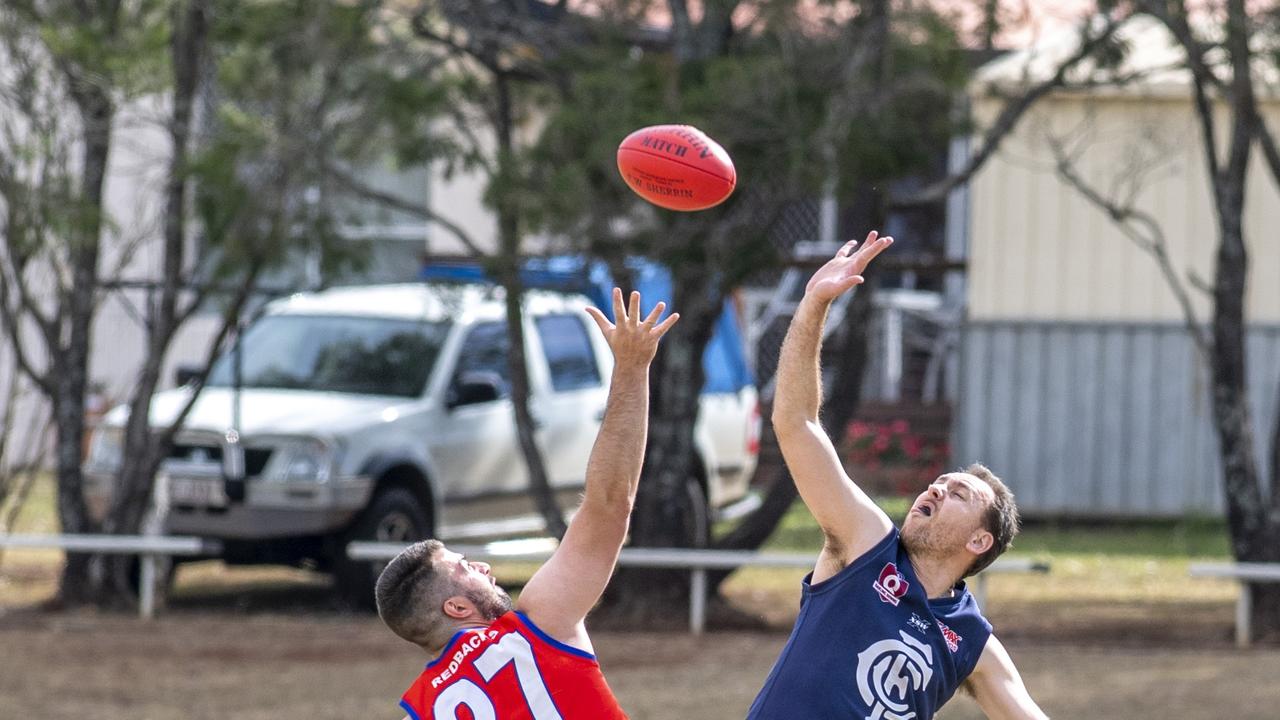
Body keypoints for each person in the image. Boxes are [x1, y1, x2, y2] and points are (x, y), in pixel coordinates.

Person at [747, 231, 1048, 720]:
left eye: (958, 494)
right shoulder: (866, 545)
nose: (937, 487)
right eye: (941, 481)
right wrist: (813, 306)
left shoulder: (971, 640)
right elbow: (796, 423)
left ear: (978, 541)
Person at [375, 288, 677, 720]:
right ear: (457, 608)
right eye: (464, 567)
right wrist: (632, 368)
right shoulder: (537, 627)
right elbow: (610, 505)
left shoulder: (421, 710)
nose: (480, 566)